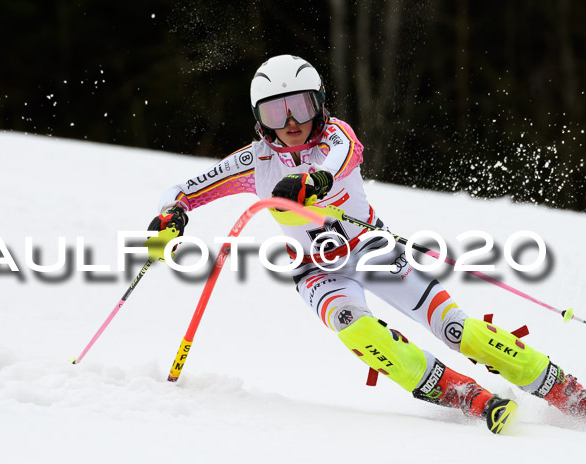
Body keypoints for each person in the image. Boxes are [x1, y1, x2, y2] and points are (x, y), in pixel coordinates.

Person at [147, 54, 585, 433]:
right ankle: (464, 394)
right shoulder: (254, 160)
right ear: (259, 119)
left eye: (300, 106)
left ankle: (569, 393)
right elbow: (181, 189)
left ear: (319, 104)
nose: (292, 123)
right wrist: (174, 213)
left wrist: (313, 177)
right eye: (276, 113)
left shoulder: (337, 135)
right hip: (315, 271)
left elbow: (339, 159)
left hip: (374, 250)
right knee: (358, 330)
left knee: (458, 330)